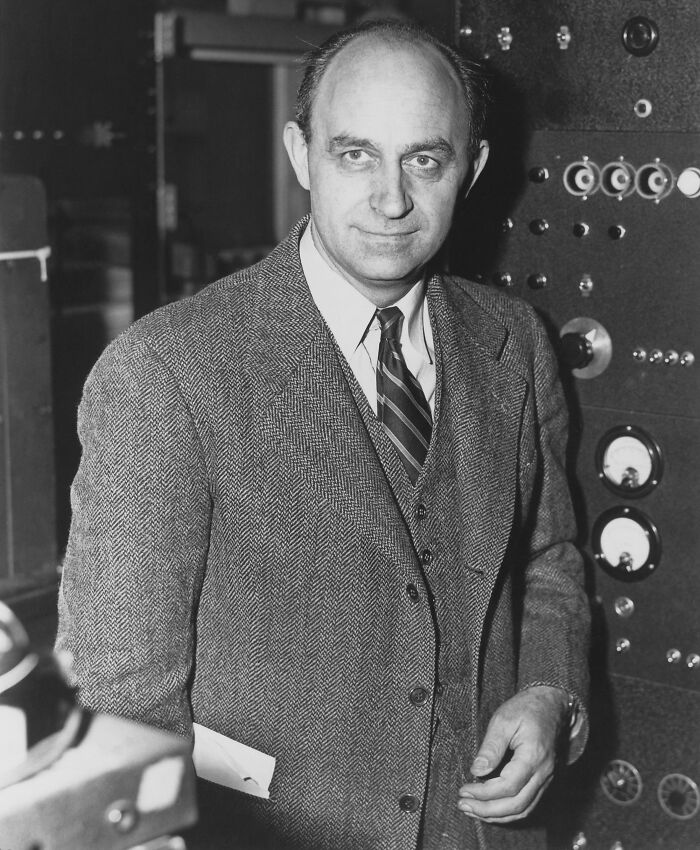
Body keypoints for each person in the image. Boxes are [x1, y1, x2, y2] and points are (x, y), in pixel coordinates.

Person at [56, 18, 590, 850]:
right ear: (301, 154)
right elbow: (122, 702)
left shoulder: (515, 343)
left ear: (473, 168)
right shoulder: (166, 372)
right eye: (355, 155)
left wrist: (552, 692)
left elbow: (550, 558)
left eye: (425, 160)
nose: (391, 199)